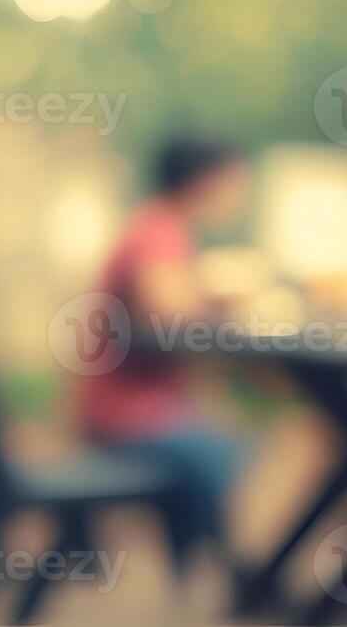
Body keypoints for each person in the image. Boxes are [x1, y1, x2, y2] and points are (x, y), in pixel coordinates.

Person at [74, 137, 251, 565]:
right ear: (205, 181)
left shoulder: (155, 226)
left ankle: (231, 569)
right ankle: (241, 572)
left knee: (235, 436)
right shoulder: (159, 231)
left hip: (125, 407)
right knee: (242, 452)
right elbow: (168, 316)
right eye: (236, 181)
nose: (242, 193)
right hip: (128, 415)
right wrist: (221, 296)